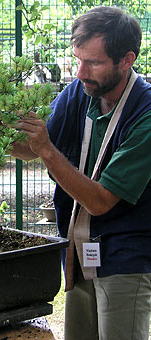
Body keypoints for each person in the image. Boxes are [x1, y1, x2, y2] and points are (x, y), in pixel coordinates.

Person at [11, 6, 151, 340]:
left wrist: (46, 149)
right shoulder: (81, 90)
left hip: (125, 259)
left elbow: (101, 201)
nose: (80, 71)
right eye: (77, 58)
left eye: (93, 62)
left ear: (127, 60)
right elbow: (32, 148)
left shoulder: (145, 115)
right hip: (77, 247)